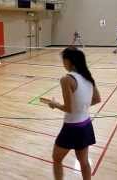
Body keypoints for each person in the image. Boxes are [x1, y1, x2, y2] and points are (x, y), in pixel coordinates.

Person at [40, 47, 101, 180]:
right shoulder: (88, 77)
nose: (63, 63)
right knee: (84, 162)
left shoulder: (66, 79)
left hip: (72, 128)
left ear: (70, 61)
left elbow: (68, 108)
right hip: (86, 125)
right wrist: (82, 107)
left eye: (64, 60)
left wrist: (54, 104)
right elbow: (97, 99)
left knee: (56, 158)